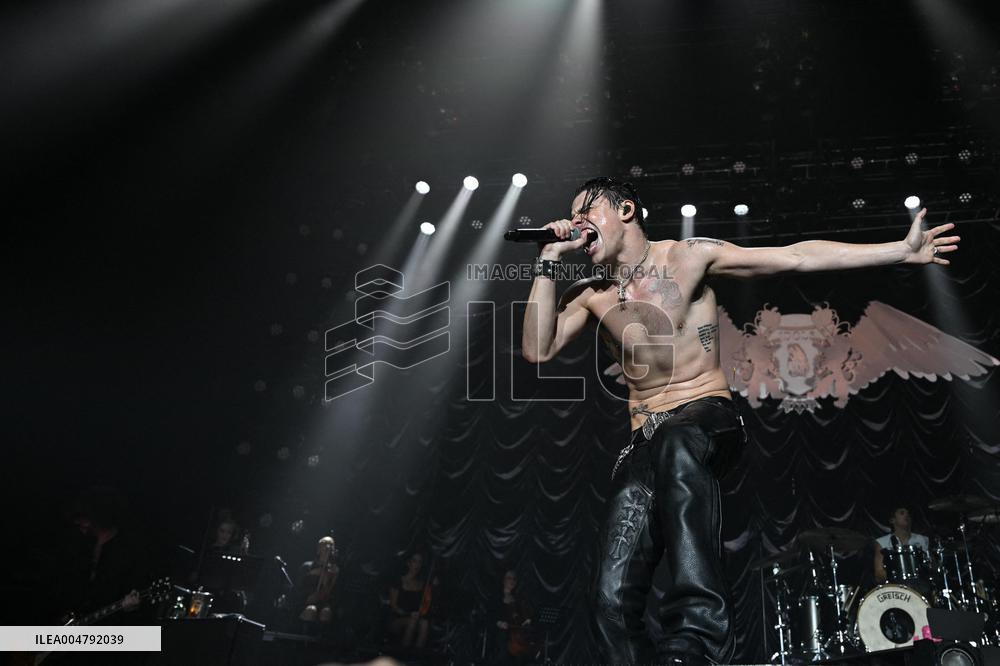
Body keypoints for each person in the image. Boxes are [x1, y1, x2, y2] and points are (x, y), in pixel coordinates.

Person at [521, 177, 960, 665]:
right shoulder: (590, 293)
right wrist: (546, 261)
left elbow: (794, 256)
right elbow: (537, 348)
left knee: (677, 442)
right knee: (609, 597)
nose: (577, 223)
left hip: (706, 416)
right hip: (643, 442)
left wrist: (898, 251)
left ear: (626, 211)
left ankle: (699, 632)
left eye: (587, 211)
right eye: (572, 217)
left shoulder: (687, 257)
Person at [387, 552, 434, 649]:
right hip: (397, 619)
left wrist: (434, 585)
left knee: (424, 623)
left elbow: (425, 605)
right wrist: (408, 614)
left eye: (420, 562)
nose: (417, 565)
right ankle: (404, 656)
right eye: (414, 561)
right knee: (412, 621)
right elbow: (393, 606)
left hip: (415, 619)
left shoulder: (422, 584)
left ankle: (416, 657)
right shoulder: (398, 580)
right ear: (408, 563)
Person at [874, 506, 931, 585]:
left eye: (908, 514)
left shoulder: (922, 539)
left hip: (921, 585)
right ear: (892, 520)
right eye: (902, 513)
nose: (907, 515)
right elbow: (879, 573)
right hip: (895, 587)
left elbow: (931, 566)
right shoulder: (882, 542)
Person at [490, 570, 537, 666]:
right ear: (503, 581)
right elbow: (490, 616)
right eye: (509, 578)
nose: (512, 581)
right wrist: (499, 623)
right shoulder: (496, 597)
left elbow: (521, 617)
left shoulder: (518, 599)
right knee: (503, 646)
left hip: (515, 633)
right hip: (500, 632)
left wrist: (526, 621)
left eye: (514, 579)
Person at [298, 535, 339, 626]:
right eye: (324, 544)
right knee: (311, 610)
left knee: (326, 612)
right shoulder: (307, 566)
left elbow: (331, 591)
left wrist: (333, 577)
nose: (328, 547)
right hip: (306, 600)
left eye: (331, 544)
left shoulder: (334, 569)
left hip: (324, 601)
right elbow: (299, 586)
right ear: (318, 548)